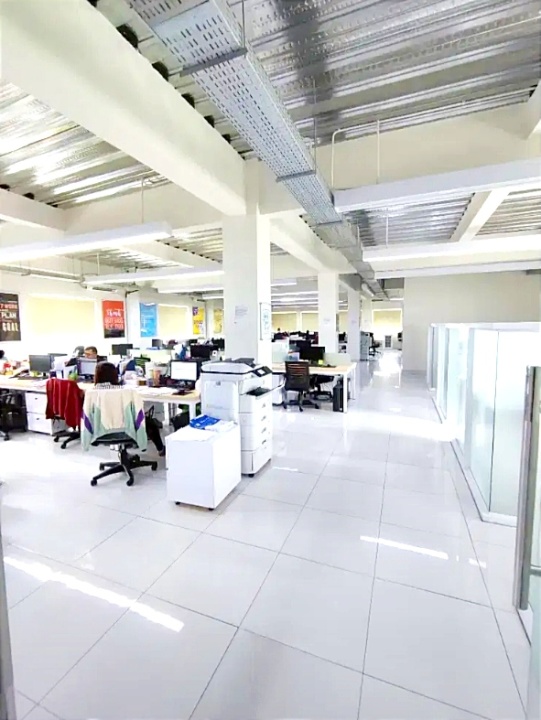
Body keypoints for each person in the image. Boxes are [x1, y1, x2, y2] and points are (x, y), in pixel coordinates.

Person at [94, 361, 166, 456]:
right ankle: (161, 449)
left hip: (101, 430)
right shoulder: (123, 391)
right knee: (149, 422)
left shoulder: (92, 392)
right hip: (125, 429)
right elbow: (139, 410)